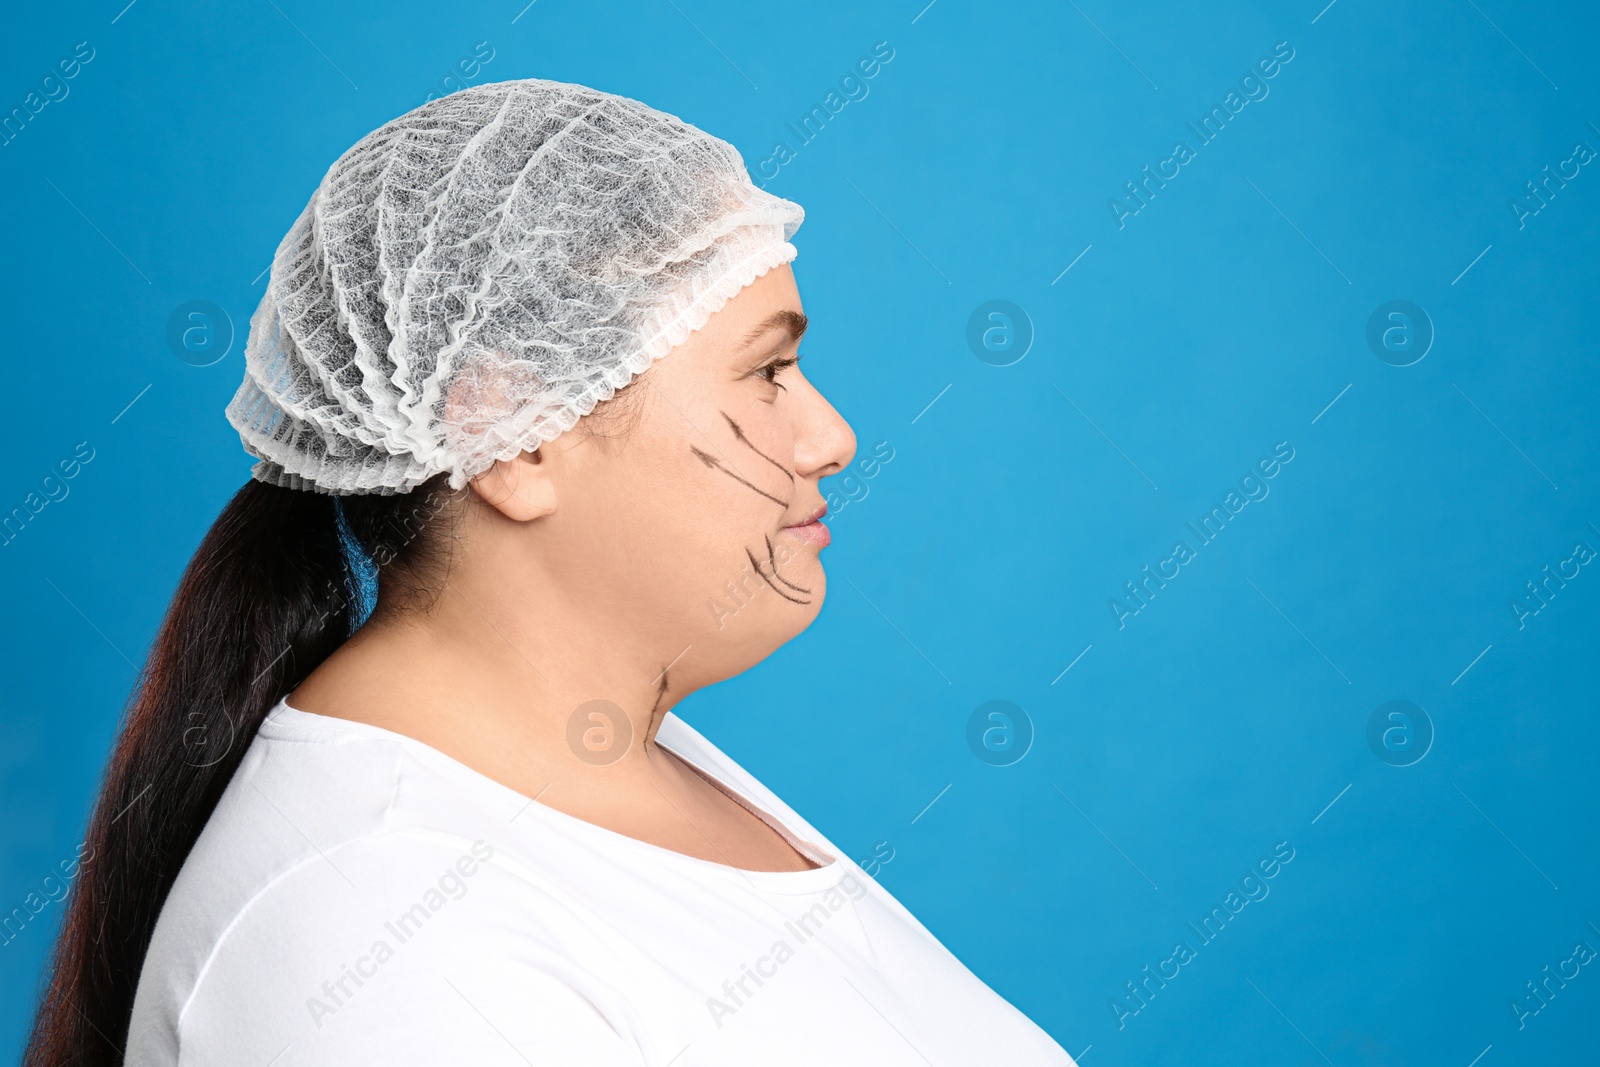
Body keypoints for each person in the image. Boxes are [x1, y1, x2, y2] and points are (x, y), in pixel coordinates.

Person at [25, 77, 1076, 1066]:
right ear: (514, 439)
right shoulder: (383, 937)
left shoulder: (609, 761)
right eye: (766, 371)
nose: (832, 435)